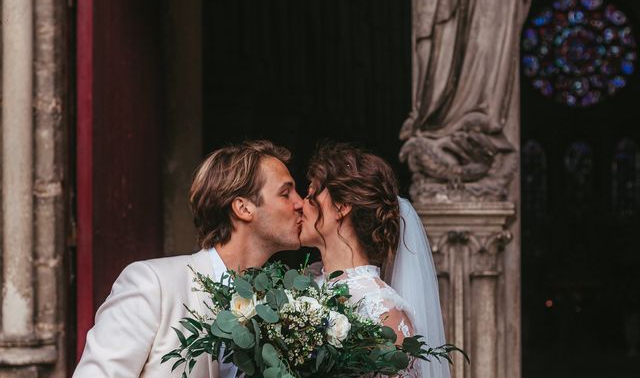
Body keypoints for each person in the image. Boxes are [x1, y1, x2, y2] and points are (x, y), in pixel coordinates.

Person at [73, 140, 304, 378]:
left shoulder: (276, 308)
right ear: (243, 208)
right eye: (285, 193)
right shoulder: (154, 285)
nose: (301, 203)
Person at [300, 143, 450, 378]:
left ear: (341, 206)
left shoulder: (384, 311)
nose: (300, 205)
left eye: (311, 196)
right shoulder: (301, 287)